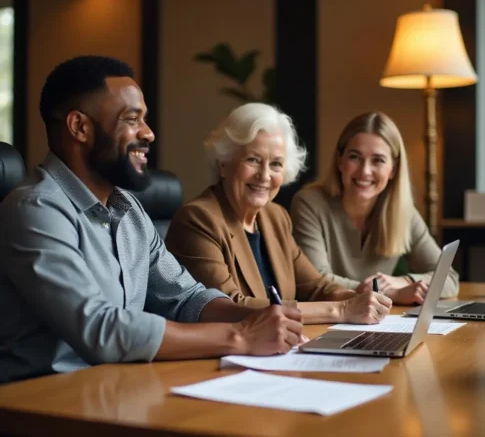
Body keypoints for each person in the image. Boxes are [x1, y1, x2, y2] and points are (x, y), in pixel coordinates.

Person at [0, 56, 303, 384]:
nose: (149, 133)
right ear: (80, 127)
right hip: (39, 404)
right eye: (132, 119)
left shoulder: (128, 208)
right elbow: (103, 330)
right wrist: (241, 336)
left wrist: (262, 316)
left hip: (115, 390)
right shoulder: (34, 209)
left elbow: (185, 297)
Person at [166, 103, 392, 324]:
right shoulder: (197, 220)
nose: (264, 176)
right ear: (224, 163)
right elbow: (230, 306)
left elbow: (316, 286)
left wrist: (362, 300)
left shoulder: (275, 217)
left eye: (276, 164)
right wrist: (341, 310)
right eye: (253, 160)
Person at [290, 112, 459, 305]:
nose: (365, 171)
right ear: (340, 160)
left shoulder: (403, 212)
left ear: (393, 169)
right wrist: (390, 294)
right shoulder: (309, 203)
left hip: (376, 321)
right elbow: (316, 281)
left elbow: (449, 278)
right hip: (325, 318)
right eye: (355, 157)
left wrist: (402, 282)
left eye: (378, 160)